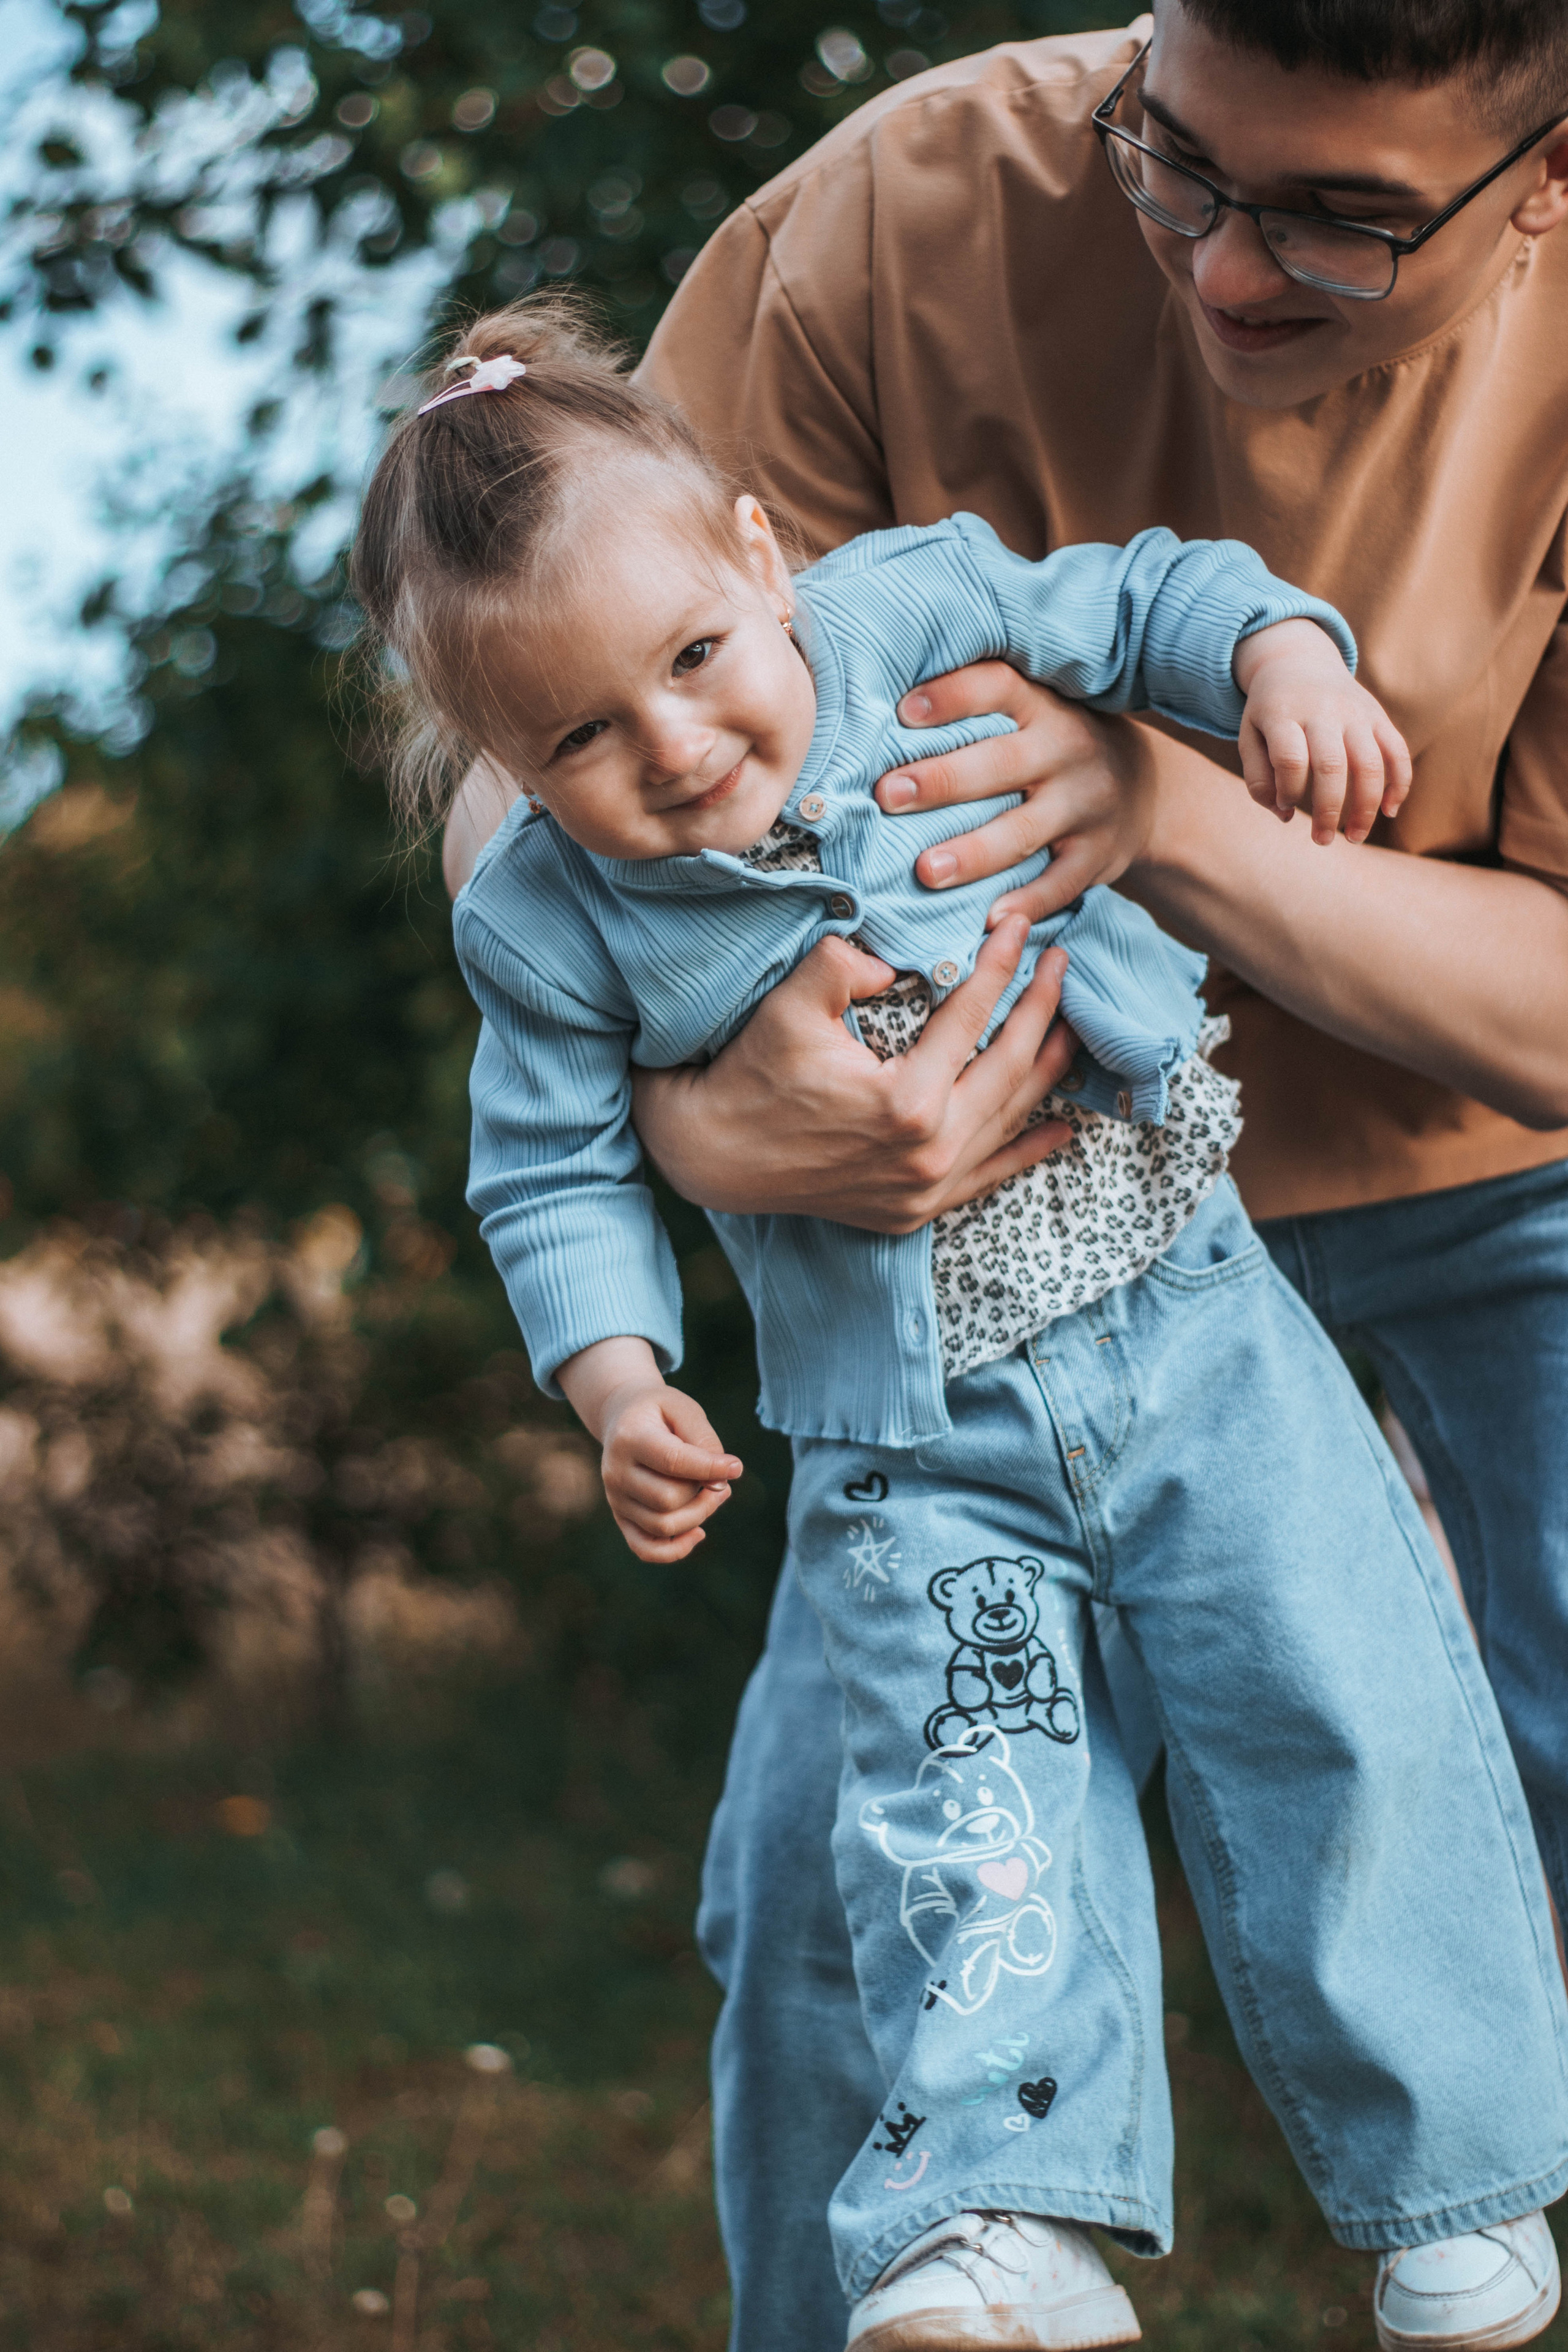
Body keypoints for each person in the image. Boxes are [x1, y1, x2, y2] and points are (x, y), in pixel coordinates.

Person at [391, 303, 1568, 2352]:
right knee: (971, 1796)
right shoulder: (547, 921)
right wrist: (617, 1377)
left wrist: (1281, 659)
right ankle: (1001, 2226)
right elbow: (549, 1172)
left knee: (1342, 1700)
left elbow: (1147, 596)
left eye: (690, 658)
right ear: (507, 759)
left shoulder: (908, 608)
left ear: (763, 560)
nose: (670, 746)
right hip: (904, 1438)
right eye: (577, 736)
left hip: (1192, 1318)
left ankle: (1453, 2176)